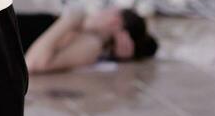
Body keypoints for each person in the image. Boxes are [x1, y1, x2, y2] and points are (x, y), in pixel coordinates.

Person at [19, 7, 159, 74]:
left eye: (107, 10)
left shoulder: (92, 44)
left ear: (115, 21)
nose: (99, 10)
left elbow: (33, 64)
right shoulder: (81, 32)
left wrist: (69, 21)